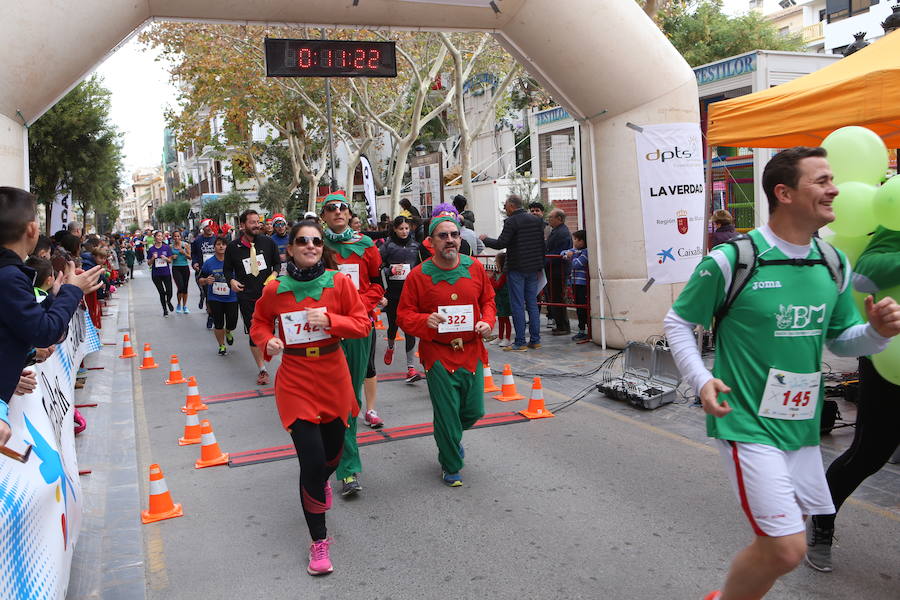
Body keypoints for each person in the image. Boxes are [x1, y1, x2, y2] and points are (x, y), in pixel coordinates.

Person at [662, 147, 900, 600]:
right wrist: (701, 378)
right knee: (787, 548)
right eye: (822, 180)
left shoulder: (833, 263)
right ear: (784, 193)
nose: (834, 189)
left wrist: (876, 332)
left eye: (833, 179)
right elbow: (678, 321)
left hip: (802, 428)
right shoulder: (734, 259)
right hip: (746, 420)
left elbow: (841, 341)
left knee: (780, 544)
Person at [250, 219, 370, 576]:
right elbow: (259, 321)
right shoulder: (276, 288)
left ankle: (322, 482)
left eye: (316, 241)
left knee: (332, 456)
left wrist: (331, 320)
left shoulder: (339, 283)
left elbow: (363, 324)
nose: (311, 246)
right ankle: (319, 541)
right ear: (289, 248)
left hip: (333, 375)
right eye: (302, 241)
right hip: (295, 379)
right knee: (312, 463)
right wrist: (265, 341)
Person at [806, 225, 900, 573]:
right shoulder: (896, 217)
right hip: (890, 358)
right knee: (868, 455)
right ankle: (822, 524)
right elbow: (866, 274)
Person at [397, 215, 496, 487]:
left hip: (471, 350)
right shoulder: (419, 275)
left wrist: (487, 322)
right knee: (446, 412)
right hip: (438, 354)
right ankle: (451, 463)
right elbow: (404, 314)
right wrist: (422, 321)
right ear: (430, 242)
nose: (450, 239)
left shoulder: (474, 268)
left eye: (454, 234)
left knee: (474, 411)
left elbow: (488, 301)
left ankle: (449, 437)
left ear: (460, 239)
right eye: (443, 236)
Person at [0, 187, 102, 445]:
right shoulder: (9, 276)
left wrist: (10, 375)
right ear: (32, 229)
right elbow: (44, 331)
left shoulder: (11, 273)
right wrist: (71, 291)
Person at [320, 191, 386, 496]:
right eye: (330, 209)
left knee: (351, 397)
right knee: (339, 398)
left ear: (349, 212)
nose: (337, 212)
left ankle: (339, 455)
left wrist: (358, 304)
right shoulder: (316, 246)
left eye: (341, 208)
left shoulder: (366, 245)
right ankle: (348, 469)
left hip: (359, 328)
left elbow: (376, 285)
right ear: (324, 216)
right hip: (326, 330)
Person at [480, 195, 546, 352]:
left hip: (516, 267)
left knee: (517, 304)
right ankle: (535, 340)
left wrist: (485, 239)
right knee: (532, 303)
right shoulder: (536, 220)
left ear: (511, 206)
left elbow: (501, 243)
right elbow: (542, 245)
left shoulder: (511, 221)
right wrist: (540, 265)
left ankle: (520, 342)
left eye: (505, 206)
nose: (504, 209)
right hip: (533, 267)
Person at [223, 209, 281, 386]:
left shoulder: (268, 242)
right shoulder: (233, 247)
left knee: (270, 332)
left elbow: (277, 263)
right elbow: (226, 269)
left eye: (258, 222)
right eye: (252, 222)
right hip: (247, 296)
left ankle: (276, 361)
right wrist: (231, 280)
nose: (257, 225)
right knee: (255, 333)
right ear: (242, 225)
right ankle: (262, 369)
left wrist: (274, 275)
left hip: (269, 296)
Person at [379, 216, 422, 383]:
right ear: (395, 229)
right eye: (401, 229)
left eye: (406, 228)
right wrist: (390, 270)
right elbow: (378, 267)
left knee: (410, 330)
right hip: (393, 294)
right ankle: (390, 346)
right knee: (393, 327)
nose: (404, 231)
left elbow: (421, 267)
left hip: (409, 294)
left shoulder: (415, 246)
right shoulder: (388, 246)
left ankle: (411, 368)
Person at [199, 237, 239, 356]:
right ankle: (221, 345)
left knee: (232, 322)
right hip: (215, 298)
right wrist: (206, 280)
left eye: (223, 244)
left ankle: (228, 331)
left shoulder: (233, 261)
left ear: (227, 247)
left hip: (232, 297)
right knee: (218, 323)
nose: (221, 246)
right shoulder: (209, 263)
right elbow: (200, 280)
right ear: (214, 247)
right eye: (218, 244)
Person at [546, 208, 573, 336]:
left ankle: (563, 326)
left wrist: (545, 260)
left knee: (558, 297)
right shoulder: (556, 231)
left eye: (551, 217)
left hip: (558, 270)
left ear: (559, 219)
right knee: (554, 297)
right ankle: (560, 324)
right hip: (554, 270)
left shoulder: (562, 233)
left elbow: (558, 252)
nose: (548, 219)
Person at [561, 229, 590, 342]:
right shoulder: (575, 251)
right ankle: (581, 330)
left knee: (582, 308)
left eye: (575, 240)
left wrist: (570, 257)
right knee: (578, 307)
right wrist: (567, 255)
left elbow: (577, 264)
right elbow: (562, 252)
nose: (574, 242)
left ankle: (584, 330)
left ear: (582, 241)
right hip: (575, 283)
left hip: (582, 284)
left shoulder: (586, 252)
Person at [192, 219, 218, 327]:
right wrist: (194, 263)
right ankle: (211, 315)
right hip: (204, 271)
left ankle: (215, 313)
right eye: (207, 226)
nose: (209, 228)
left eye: (211, 226)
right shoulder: (197, 240)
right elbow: (194, 254)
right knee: (209, 295)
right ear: (203, 227)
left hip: (217, 270)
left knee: (218, 294)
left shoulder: (217, 239)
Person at [147, 231, 175, 317]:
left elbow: (170, 261)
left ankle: (169, 301)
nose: (160, 238)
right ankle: (165, 310)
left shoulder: (166, 248)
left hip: (166, 273)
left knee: (169, 291)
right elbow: (149, 263)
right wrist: (153, 258)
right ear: (155, 238)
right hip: (156, 274)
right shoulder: (151, 249)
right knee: (162, 293)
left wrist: (166, 258)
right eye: (158, 236)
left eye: (161, 236)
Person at [489, 252, 512, 347]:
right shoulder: (498, 274)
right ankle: (500, 337)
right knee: (501, 319)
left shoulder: (504, 275)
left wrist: (490, 279)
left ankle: (507, 338)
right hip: (500, 299)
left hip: (504, 299)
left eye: (496, 261)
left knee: (506, 319)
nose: (495, 263)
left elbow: (497, 286)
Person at [170, 229, 192, 314]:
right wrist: (172, 257)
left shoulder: (185, 245)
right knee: (180, 287)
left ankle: (185, 306)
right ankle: (179, 304)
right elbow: (169, 258)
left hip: (185, 267)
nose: (176, 238)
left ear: (180, 237)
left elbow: (190, 257)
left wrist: (184, 253)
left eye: (178, 236)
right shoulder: (170, 247)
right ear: (173, 237)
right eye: (175, 236)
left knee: (185, 288)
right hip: (176, 268)